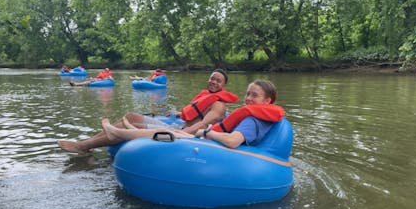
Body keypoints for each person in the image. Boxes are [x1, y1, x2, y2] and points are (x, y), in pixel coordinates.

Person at [58, 68, 238, 153]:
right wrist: (177, 115)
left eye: (218, 81)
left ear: (224, 85)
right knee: (129, 116)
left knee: (132, 124)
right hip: (178, 124)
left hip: (182, 131)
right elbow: (192, 113)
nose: (213, 82)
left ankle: (84, 146)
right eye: (212, 79)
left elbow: (205, 123)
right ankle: (87, 143)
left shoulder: (219, 104)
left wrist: (181, 131)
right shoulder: (205, 95)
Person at [100, 79, 284, 149]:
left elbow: (232, 141)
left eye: (254, 95)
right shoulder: (256, 116)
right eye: (248, 94)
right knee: (175, 132)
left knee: (173, 134)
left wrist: (206, 132)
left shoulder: (253, 120)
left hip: (208, 142)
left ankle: (117, 132)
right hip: (206, 138)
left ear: (267, 101)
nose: (248, 99)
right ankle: (120, 132)